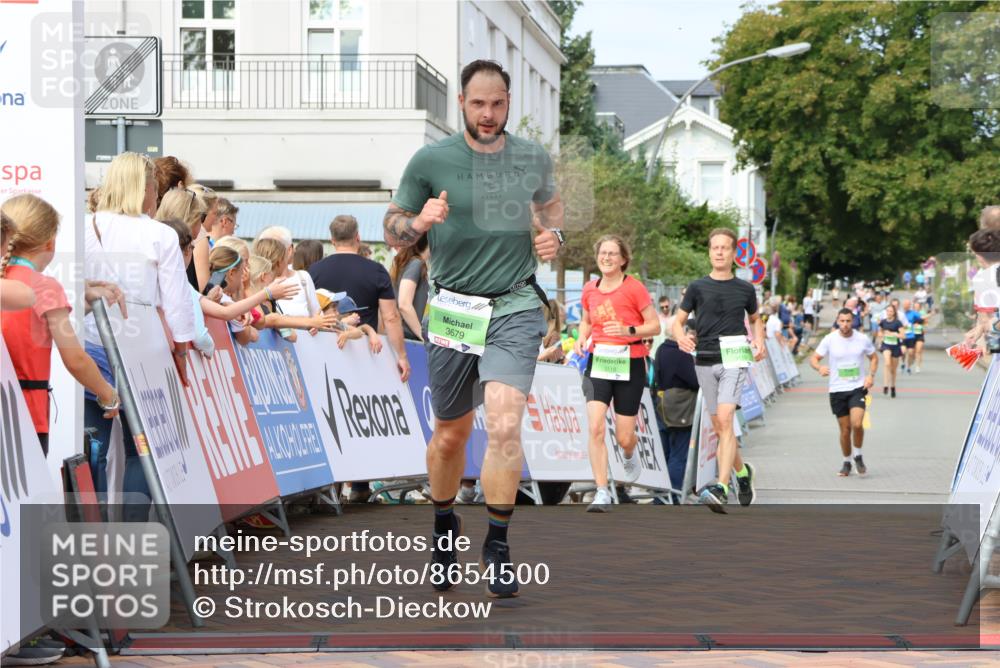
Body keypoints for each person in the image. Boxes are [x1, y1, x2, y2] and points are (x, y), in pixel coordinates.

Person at [383, 59, 562, 597]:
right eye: (479, 104)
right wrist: (417, 224)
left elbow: (550, 214)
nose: (489, 114)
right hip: (456, 310)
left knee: (505, 427)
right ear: (461, 103)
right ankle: (443, 524)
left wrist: (553, 237)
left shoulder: (532, 157)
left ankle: (500, 544)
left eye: (498, 103)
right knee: (449, 437)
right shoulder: (431, 159)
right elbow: (391, 229)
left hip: (514, 308)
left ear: (509, 103)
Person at [85, 152, 195, 522]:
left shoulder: (85, 226)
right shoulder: (160, 234)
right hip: (141, 355)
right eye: (154, 187)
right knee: (140, 449)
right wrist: (181, 353)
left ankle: (94, 541)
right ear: (145, 188)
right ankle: (130, 538)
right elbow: (178, 306)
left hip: (91, 346)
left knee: (94, 447)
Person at [1, 194, 121, 457]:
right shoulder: (44, 287)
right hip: (26, 416)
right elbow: (75, 358)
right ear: (50, 242)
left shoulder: (6, 281)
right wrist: (107, 393)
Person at [673, 228, 764, 513]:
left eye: (725, 247)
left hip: (734, 358)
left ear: (734, 253)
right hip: (704, 359)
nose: (720, 252)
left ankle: (721, 487)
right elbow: (677, 322)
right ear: (710, 252)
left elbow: (756, 318)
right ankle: (742, 473)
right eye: (715, 248)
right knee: (720, 426)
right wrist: (679, 335)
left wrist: (758, 340)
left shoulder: (745, 289)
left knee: (725, 418)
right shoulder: (697, 287)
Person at [574, 235, 659, 512]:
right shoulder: (589, 289)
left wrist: (627, 331)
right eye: (603, 253)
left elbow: (654, 326)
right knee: (596, 426)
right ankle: (602, 491)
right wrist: (580, 337)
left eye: (613, 253)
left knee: (624, 435)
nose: (607, 257)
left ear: (623, 259)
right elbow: (586, 320)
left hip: (630, 361)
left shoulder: (634, 288)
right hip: (599, 361)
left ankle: (629, 452)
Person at [309, 215, 410, 380]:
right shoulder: (377, 271)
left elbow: (310, 314)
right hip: (366, 356)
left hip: (325, 354)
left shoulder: (314, 271)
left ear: (332, 240)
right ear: (358, 237)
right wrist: (402, 356)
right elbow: (391, 317)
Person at [810, 308, 878, 477]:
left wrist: (870, 375)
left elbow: (874, 357)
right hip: (837, 389)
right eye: (842, 321)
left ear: (853, 321)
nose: (845, 324)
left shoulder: (862, 339)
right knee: (845, 429)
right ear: (837, 321)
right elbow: (814, 358)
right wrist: (819, 367)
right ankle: (847, 461)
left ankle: (858, 455)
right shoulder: (830, 339)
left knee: (857, 423)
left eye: (848, 321)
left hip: (857, 388)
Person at [654, 325, 699, 504]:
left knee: (664, 454)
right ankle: (674, 495)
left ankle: (660, 496)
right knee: (678, 455)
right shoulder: (681, 352)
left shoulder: (661, 349)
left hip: (662, 406)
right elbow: (695, 381)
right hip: (681, 410)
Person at [156, 188, 209, 290]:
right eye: (202, 217)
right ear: (191, 218)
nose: (202, 224)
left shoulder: (157, 243)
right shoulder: (183, 251)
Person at [389, 232, 430, 342]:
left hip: (399, 335)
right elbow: (404, 304)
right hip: (408, 337)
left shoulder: (406, 263)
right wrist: (422, 336)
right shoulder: (416, 263)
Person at [965, 228, 1000, 352]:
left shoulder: (982, 278)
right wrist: (980, 329)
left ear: (978, 255)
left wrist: (986, 330)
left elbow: (987, 319)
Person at [877, 303, 904, 398]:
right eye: (887, 311)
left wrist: (893, 334)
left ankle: (892, 386)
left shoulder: (898, 323)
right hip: (886, 345)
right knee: (887, 363)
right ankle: (885, 385)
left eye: (891, 311)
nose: (889, 313)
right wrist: (880, 336)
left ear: (894, 313)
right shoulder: (883, 322)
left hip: (896, 346)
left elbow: (903, 335)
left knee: (893, 370)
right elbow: (879, 332)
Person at [903, 300, 925, 373]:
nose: (916, 308)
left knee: (918, 351)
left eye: (917, 307)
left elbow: (923, 321)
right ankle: (909, 362)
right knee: (911, 352)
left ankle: (918, 366)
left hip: (919, 335)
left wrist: (921, 325)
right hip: (910, 334)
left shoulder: (919, 314)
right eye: (915, 307)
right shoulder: (903, 314)